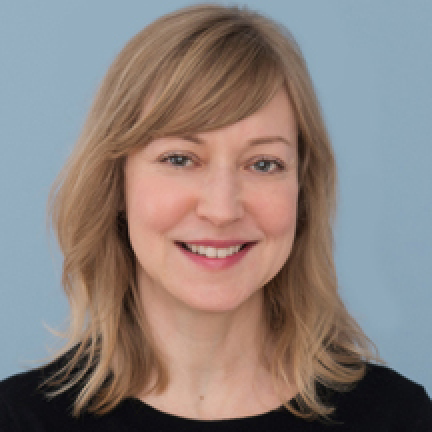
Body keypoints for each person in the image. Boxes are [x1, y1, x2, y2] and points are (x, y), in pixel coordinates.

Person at [0, 4, 431, 431]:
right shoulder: (20, 419)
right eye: (181, 159)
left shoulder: (396, 417)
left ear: (303, 193)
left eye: (263, 164)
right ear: (115, 184)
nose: (222, 210)